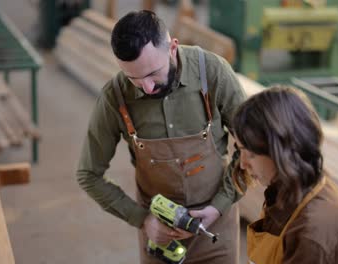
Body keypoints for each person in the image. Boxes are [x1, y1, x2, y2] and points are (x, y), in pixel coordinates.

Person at [76, 10, 247, 264]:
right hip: (160, 234)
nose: (146, 87)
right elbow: (88, 175)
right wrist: (142, 219)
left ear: (172, 48)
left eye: (152, 73)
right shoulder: (115, 97)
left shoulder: (212, 73)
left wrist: (220, 203)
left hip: (216, 228)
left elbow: (254, 148)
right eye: (134, 78)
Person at [231, 86, 338, 264]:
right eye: (240, 151)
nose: (244, 164)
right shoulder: (289, 188)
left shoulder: (312, 234)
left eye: (251, 154)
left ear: (282, 150)